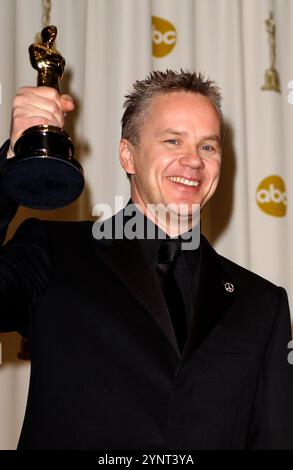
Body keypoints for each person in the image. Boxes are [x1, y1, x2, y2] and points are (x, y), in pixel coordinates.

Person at [0, 70, 292, 450]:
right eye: (173, 140)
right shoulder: (54, 251)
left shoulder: (262, 304)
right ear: (128, 155)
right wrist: (12, 161)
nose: (193, 161)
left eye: (208, 146)